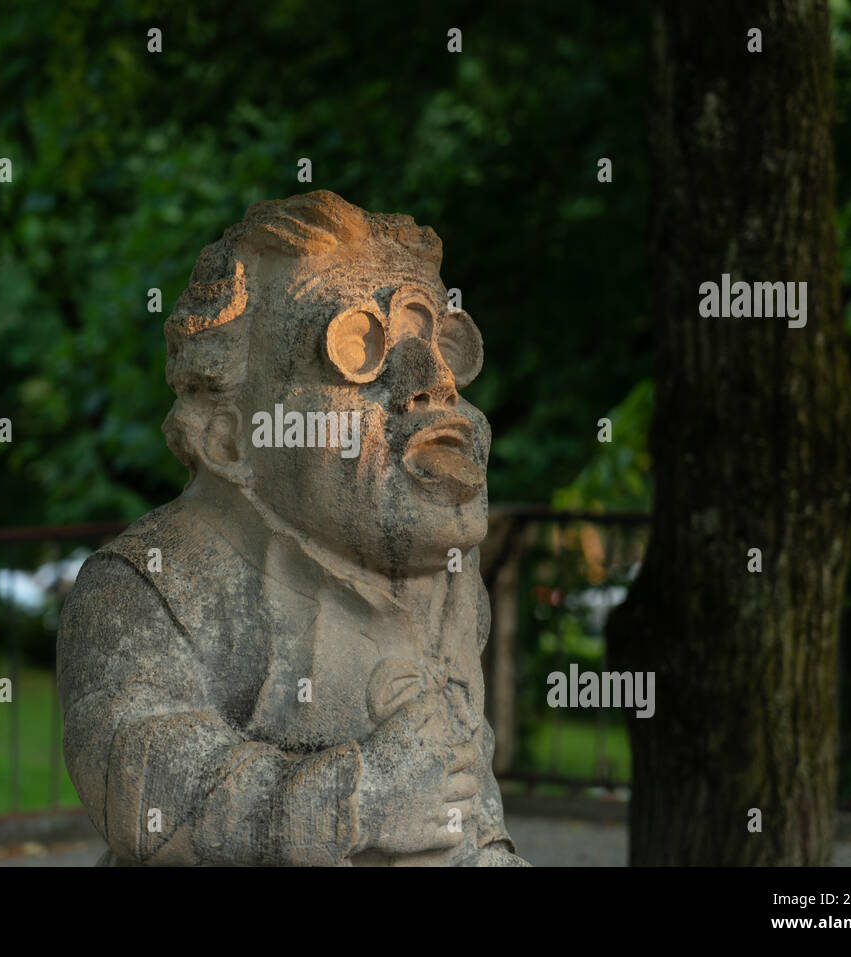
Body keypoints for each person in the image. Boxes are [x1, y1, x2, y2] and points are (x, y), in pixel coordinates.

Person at [57, 190, 524, 865]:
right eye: (357, 348)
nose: (432, 384)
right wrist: (358, 796)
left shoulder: (445, 584)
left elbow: (462, 802)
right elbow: (144, 791)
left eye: (439, 344)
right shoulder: (157, 582)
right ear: (228, 437)